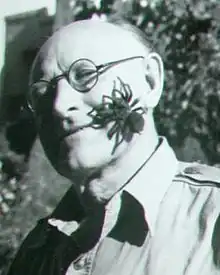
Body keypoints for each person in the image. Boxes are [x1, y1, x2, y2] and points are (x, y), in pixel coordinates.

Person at [6, 17, 220, 275]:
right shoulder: (37, 250)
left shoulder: (212, 217)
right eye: (42, 94)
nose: (59, 105)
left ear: (150, 81)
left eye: (85, 75)